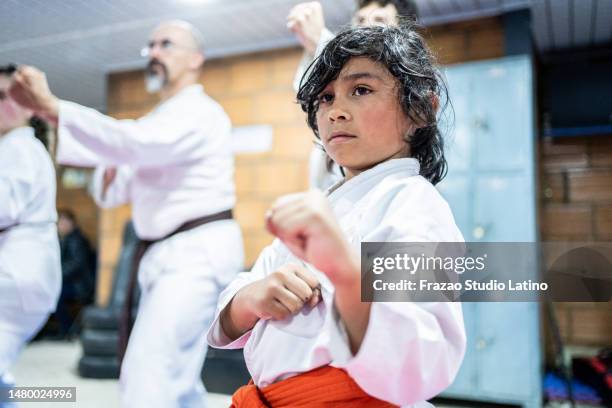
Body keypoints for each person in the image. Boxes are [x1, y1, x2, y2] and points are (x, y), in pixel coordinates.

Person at [207, 25, 466, 407]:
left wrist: (344, 272)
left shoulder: (414, 205)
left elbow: (421, 358)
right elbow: (225, 323)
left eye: (361, 90)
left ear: (421, 110)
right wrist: (252, 298)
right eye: (326, 98)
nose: (336, 112)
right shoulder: (325, 205)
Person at [9, 20, 244, 408]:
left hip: (195, 255)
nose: (153, 52)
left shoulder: (201, 113)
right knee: (177, 380)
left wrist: (53, 110)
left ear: (194, 60)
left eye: (166, 45)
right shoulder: (157, 121)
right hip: (164, 256)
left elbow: (135, 144)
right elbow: (110, 190)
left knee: (148, 374)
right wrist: (117, 149)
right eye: (150, 46)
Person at [287, 0, 419, 190]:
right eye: (327, 97)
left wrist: (320, 42)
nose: (366, 26)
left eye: (379, 19)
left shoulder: (414, 84)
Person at [0, 64, 61, 405]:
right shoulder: (14, 147)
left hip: (16, 276)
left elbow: (4, 205)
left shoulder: (20, 146)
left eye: (2, 97)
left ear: (27, 105)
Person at [55, 209, 96, 338]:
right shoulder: (61, 240)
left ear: (73, 224)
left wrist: (56, 276)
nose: (61, 225)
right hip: (69, 282)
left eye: (64, 222)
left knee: (55, 295)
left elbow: (77, 265)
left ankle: (67, 329)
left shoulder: (77, 240)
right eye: (59, 222)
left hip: (80, 285)